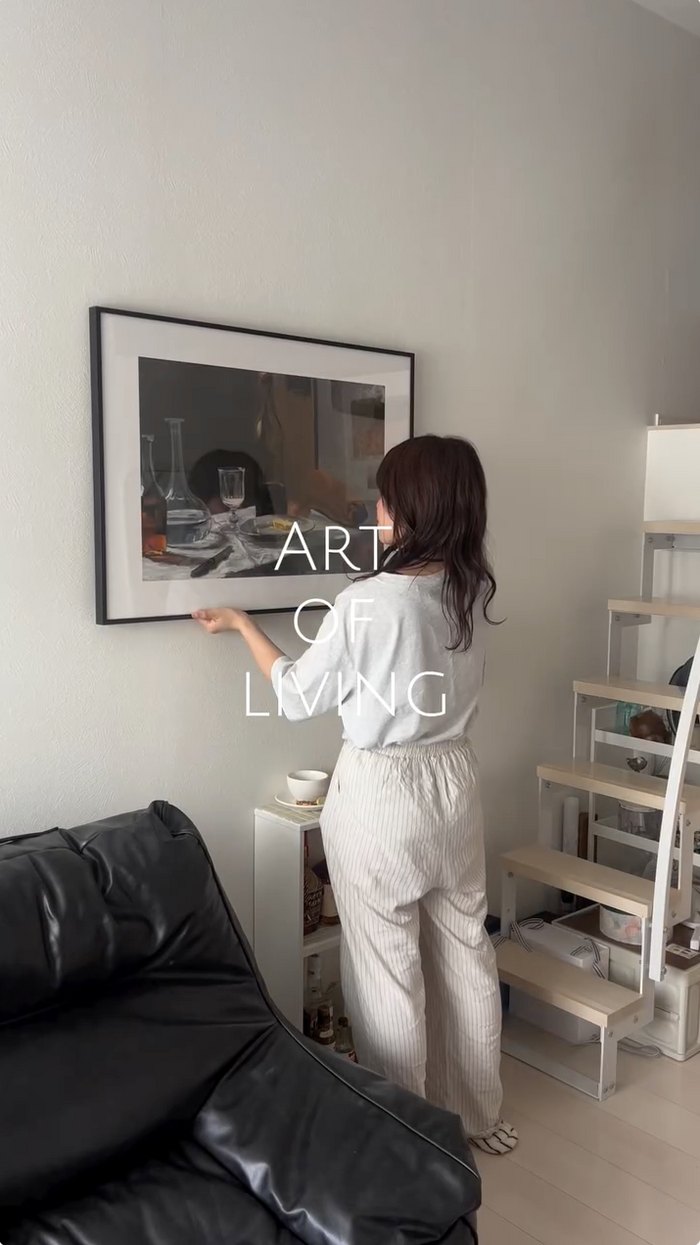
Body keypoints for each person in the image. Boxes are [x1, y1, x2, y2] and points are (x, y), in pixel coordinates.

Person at [193, 434, 517, 1155]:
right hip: (456, 782)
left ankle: (408, 1136)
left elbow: (296, 695)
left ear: (413, 508)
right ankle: (478, 1119)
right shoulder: (472, 590)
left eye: (386, 497)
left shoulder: (367, 602)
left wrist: (243, 624)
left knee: (385, 970)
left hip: (383, 790)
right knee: (467, 953)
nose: (376, 508)